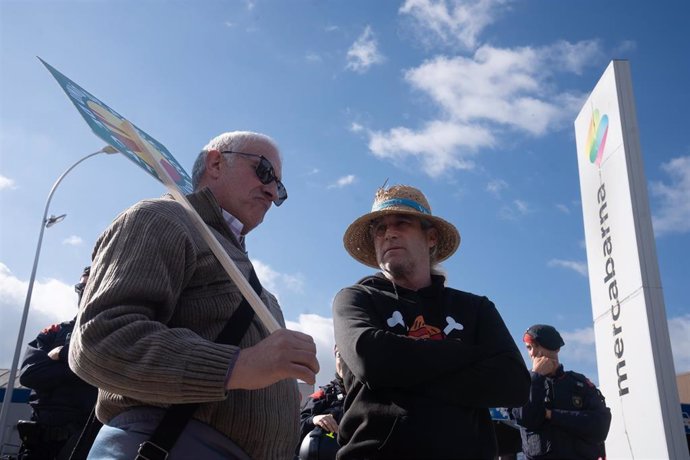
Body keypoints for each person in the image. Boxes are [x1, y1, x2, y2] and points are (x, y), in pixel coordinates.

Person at [69, 131, 319, 459]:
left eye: (280, 188)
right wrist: (240, 365)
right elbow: (100, 341)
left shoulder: (247, 273)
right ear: (216, 162)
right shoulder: (162, 218)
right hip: (162, 446)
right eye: (265, 172)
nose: (273, 191)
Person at [332, 184, 531, 459]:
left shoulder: (475, 308)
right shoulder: (355, 299)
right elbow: (371, 359)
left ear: (431, 237)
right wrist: (466, 354)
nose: (388, 233)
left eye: (401, 222)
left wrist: (399, 371)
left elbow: (514, 383)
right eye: (379, 229)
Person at [18, 266, 97, 460]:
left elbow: (110, 366)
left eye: (91, 286)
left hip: (86, 439)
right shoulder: (54, 332)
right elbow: (30, 374)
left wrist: (63, 354)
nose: (83, 293)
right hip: (38, 442)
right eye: (80, 287)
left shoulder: (115, 332)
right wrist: (81, 364)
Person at [511, 324, 611, 459]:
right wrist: (536, 377)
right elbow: (526, 418)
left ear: (556, 348)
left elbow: (600, 426)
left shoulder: (580, 384)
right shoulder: (523, 382)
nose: (532, 353)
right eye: (529, 348)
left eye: (537, 346)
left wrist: (551, 415)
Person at [297, 346, 347, 460]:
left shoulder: (369, 397)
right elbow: (296, 427)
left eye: (349, 357)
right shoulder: (323, 395)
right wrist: (314, 419)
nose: (345, 363)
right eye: (340, 356)